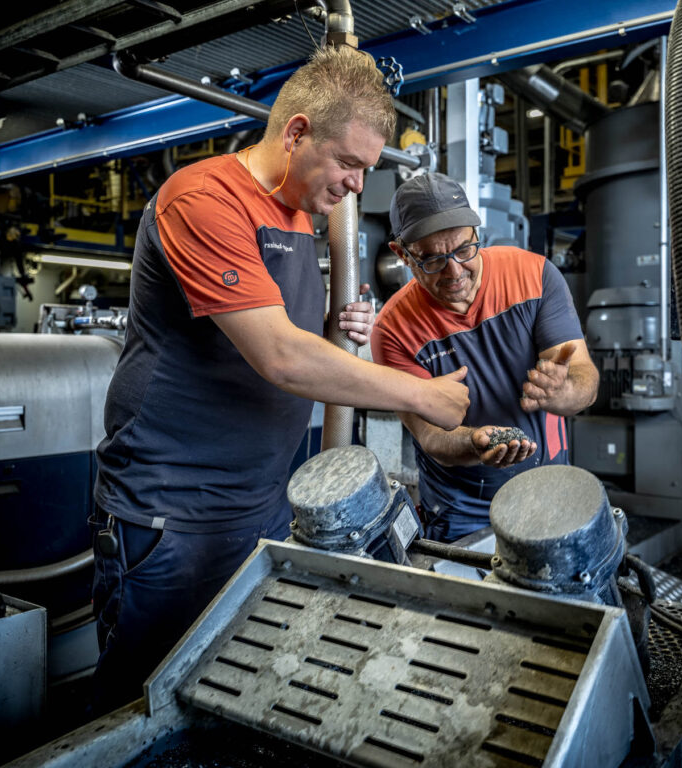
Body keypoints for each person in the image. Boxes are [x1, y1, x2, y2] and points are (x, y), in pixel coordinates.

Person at [90, 47, 470, 714]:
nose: (358, 186)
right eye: (349, 163)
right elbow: (280, 358)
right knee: (143, 708)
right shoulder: (203, 199)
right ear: (296, 133)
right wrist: (422, 394)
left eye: (367, 169)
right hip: (174, 512)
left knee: (234, 687)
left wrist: (332, 326)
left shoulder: (298, 216)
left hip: (262, 502)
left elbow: (281, 336)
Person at [370, 172, 599, 543]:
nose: (455, 272)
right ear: (402, 255)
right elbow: (430, 436)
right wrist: (474, 442)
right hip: (464, 509)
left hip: (549, 482)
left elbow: (583, 378)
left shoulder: (534, 276)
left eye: (464, 250)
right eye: (433, 259)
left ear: (477, 234)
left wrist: (565, 392)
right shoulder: (393, 330)